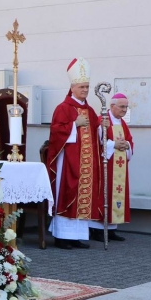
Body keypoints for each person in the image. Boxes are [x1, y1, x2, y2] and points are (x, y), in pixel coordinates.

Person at [46, 57, 109, 249]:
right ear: (72, 87)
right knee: (68, 192)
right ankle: (61, 236)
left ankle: (76, 236)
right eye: (81, 87)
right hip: (68, 162)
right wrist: (74, 125)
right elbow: (56, 132)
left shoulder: (90, 110)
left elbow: (97, 136)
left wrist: (102, 128)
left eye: (87, 87)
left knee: (85, 196)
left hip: (87, 164)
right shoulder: (63, 108)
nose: (85, 90)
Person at [89, 93, 133, 242]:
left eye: (126, 107)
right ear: (112, 106)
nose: (124, 110)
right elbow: (96, 142)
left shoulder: (122, 123)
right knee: (104, 194)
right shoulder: (103, 120)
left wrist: (126, 145)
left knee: (116, 195)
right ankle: (97, 229)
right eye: (122, 106)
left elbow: (130, 141)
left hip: (119, 166)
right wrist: (114, 144)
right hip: (105, 166)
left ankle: (112, 229)